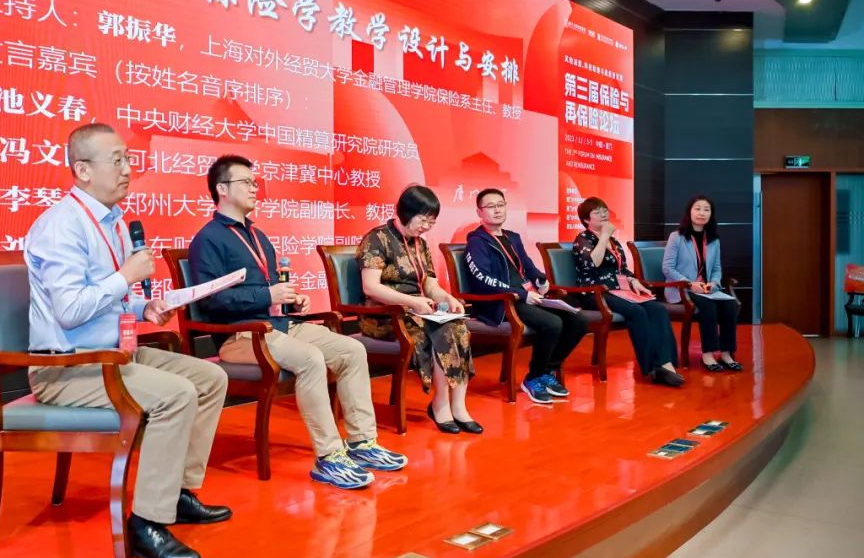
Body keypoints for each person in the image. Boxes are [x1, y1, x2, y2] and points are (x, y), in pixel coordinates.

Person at [25, 123, 231, 558]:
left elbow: (110, 301)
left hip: (115, 355)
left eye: (128, 159)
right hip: (68, 367)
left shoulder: (113, 222)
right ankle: (146, 523)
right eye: (116, 160)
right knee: (177, 394)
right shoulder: (61, 226)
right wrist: (126, 277)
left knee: (210, 377)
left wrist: (144, 308)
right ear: (82, 170)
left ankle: (176, 493)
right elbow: (69, 311)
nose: (127, 169)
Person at [189, 155, 407, 490]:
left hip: (278, 326)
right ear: (222, 189)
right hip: (241, 336)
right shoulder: (207, 240)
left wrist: (291, 299)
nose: (254, 188)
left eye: (255, 182)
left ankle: (362, 442)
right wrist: (267, 296)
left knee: (351, 350)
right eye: (246, 182)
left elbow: (268, 289)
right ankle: (329, 457)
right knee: (311, 359)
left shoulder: (258, 237)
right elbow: (210, 300)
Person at [356, 185, 481, 434]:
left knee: (458, 325)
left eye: (431, 222)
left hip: (419, 311)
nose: (426, 226)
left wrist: (448, 297)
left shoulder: (420, 244)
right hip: (386, 315)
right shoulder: (377, 239)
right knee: (441, 331)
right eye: (423, 220)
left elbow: (430, 285)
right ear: (406, 212)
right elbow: (371, 287)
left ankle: (459, 406)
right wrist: (412, 302)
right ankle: (440, 405)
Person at [465, 188, 587, 405]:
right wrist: (521, 294)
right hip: (501, 302)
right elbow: (482, 278)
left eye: (500, 205)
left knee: (578, 320)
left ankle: (546, 371)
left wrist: (541, 280)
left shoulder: (512, 237)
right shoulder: (477, 241)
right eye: (490, 206)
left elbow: (528, 266)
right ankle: (533, 378)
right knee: (553, 323)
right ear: (479, 212)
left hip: (526, 297)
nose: (497, 210)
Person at [572, 197, 684, 387]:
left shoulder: (615, 242)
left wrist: (634, 281)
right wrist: (604, 236)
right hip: (595, 293)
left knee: (657, 309)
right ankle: (651, 368)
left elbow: (622, 269)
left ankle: (666, 364)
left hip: (620, 291)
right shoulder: (583, 239)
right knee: (636, 312)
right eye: (597, 212)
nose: (603, 214)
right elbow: (593, 263)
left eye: (604, 210)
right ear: (586, 220)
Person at [662, 195, 742, 371]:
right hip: (683, 289)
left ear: (711, 214)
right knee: (709, 305)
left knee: (730, 304)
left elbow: (717, 268)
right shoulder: (676, 237)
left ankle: (726, 353)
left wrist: (714, 282)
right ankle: (708, 355)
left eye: (706, 209)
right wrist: (690, 284)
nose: (702, 213)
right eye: (697, 208)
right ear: (689, 212)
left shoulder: (713, 239)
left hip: (707, 289)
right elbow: (667, 268)